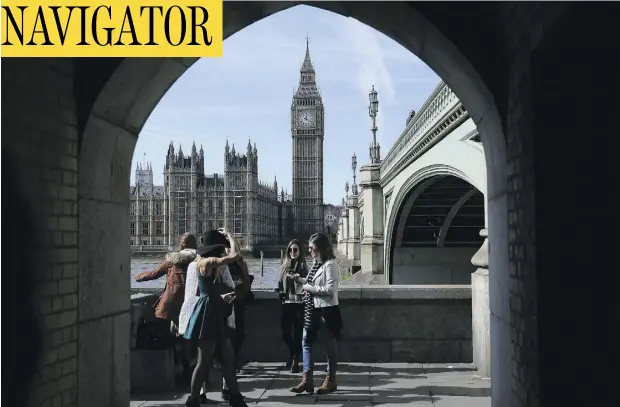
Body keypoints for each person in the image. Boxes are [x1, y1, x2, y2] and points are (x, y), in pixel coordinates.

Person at [181, 229, 248, 407]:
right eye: (220, 248)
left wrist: (222, 298)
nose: (222, 251)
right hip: (207, 314)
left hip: (215, 309)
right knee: (204, 361)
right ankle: (193, 399)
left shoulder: (207, 264)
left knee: (228, 358)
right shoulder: (207, 262)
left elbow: (209, 290)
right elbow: (234, 255)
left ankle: (236, 398)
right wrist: (230, 235)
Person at [289, 232, 343, 395]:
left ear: (320, 249)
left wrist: (307, 288)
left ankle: (331, 379)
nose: (309, 251)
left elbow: (330, 291)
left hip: (325, 312)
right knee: (306, 344)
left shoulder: (330, 265)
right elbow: (312, 282)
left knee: (329, 347)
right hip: (311, 311)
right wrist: (300, 280)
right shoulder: (315, 264)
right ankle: (307, 380)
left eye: (312, 248)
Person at [135, 233, 197, 342]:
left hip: (172, 302)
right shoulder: (199, 260)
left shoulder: (172, 260)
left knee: (160, 324)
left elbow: (154, 274)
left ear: (181, 245)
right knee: (189, 331)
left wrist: (138, 277)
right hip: (192, 301)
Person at [275, 239, 308, 373]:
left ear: (300, 252)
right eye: (290, 250)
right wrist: (280, 292)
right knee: (285, 333)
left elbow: (308, 284)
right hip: (287, 303)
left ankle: (294, 360)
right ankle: (294, 353)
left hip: (300, 304)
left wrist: (297, 278)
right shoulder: (284, 267)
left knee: (298, 333)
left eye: (295, 250)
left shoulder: (304, 267)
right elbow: (279, 283)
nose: (292, 252)